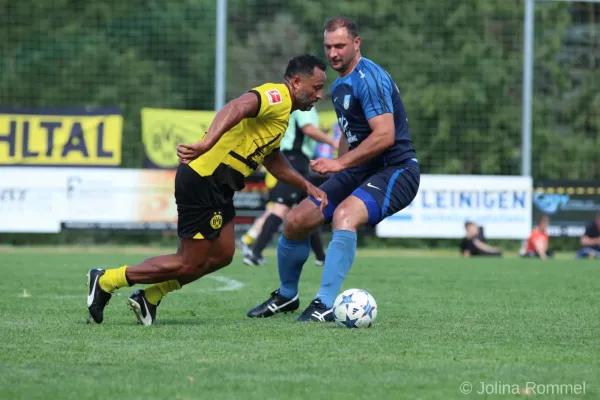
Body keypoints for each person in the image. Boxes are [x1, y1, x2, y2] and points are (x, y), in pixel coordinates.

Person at [86, 54, 328, 325]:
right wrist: (207, 142)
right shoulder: (277, 95)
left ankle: (149, 296)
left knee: (222, 255)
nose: (319, 95)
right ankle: (107, 279)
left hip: (220, 186)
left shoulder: (283, 116)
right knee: (188, 262)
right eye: (316, 87)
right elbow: (236, 106)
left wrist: (307, 185)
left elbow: (273, 159)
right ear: (296, 82)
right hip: (203, 177)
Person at [247, 17, 420, 322]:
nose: (333, 53)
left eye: (340, 45)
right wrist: (338, 171)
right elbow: (348, 134)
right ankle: (287, 295)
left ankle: (325, 303)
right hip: (359, 171)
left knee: (344, 216)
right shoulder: (340, 86)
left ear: (356, 44)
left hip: (396, 171)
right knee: (297, 220)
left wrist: (340, 163)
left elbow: (384, 135)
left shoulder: (370, 79)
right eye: (328, 46)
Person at [241, 107, 338, 267]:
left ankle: (321, 256)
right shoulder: (303, 107)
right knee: (279, 209)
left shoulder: (305, 107)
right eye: (317, 88)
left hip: (299, 161)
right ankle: (255, 253)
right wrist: (332, 141)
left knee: (309, 210)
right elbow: (308, 129)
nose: (319, 94)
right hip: (294, 160)